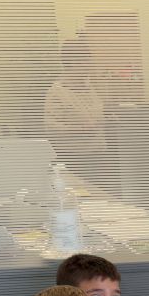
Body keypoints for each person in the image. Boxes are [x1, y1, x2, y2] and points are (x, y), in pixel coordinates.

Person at [44, 37, 109, 188]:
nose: (89, 65)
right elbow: (51, 127)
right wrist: (78, 129)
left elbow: (94, 113)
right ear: (72, 62)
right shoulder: (57, 92)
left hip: (97, 153)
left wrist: (106, 117)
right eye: (85, 60)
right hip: (74, 157)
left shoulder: (90, 88)